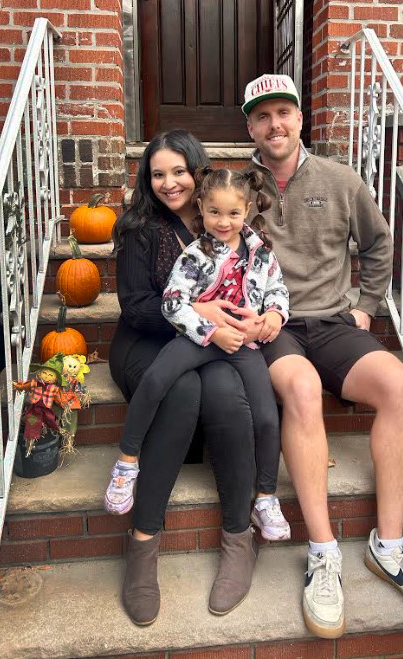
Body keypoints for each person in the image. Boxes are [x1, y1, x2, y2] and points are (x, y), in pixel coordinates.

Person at [240, 73, 403, 639]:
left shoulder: (340, 179)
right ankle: (323, 552)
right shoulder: (238, 187)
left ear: (300, 118)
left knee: (401, 388)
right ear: (250, 128)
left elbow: (380, 242)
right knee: (304, 389)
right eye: (262, 117)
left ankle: (388, 547)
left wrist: (366, 304)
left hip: (336, 323)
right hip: (275, 328)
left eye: (283, 112)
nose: (275, 125)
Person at [108, 131, 260, 626]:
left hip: (206, 342)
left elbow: (256, 281)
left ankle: (239, 538)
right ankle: (142, 544)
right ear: (146, 179)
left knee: (225, 391)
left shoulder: (221, 216)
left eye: (178, 171)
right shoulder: (138, 228)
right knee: (183, 389)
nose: (169, 183)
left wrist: (255, 318)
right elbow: (134, 307)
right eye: (157, 173)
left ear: (198, 172)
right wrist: (199, 313)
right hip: (146, 339)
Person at [106, 166, 292, 546]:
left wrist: (274, 314)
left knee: (267, 416)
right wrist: (211, 332)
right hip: (199, 339)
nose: (224, 222)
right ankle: (127, 462)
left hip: (243, 343)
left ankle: (267, 496)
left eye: (234, 214)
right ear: (202, 209)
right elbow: (174, 303)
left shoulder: (261, 252)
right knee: (157, 379)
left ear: (248, 209)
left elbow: (277, 289)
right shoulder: (194, 254)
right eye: (214, 213)